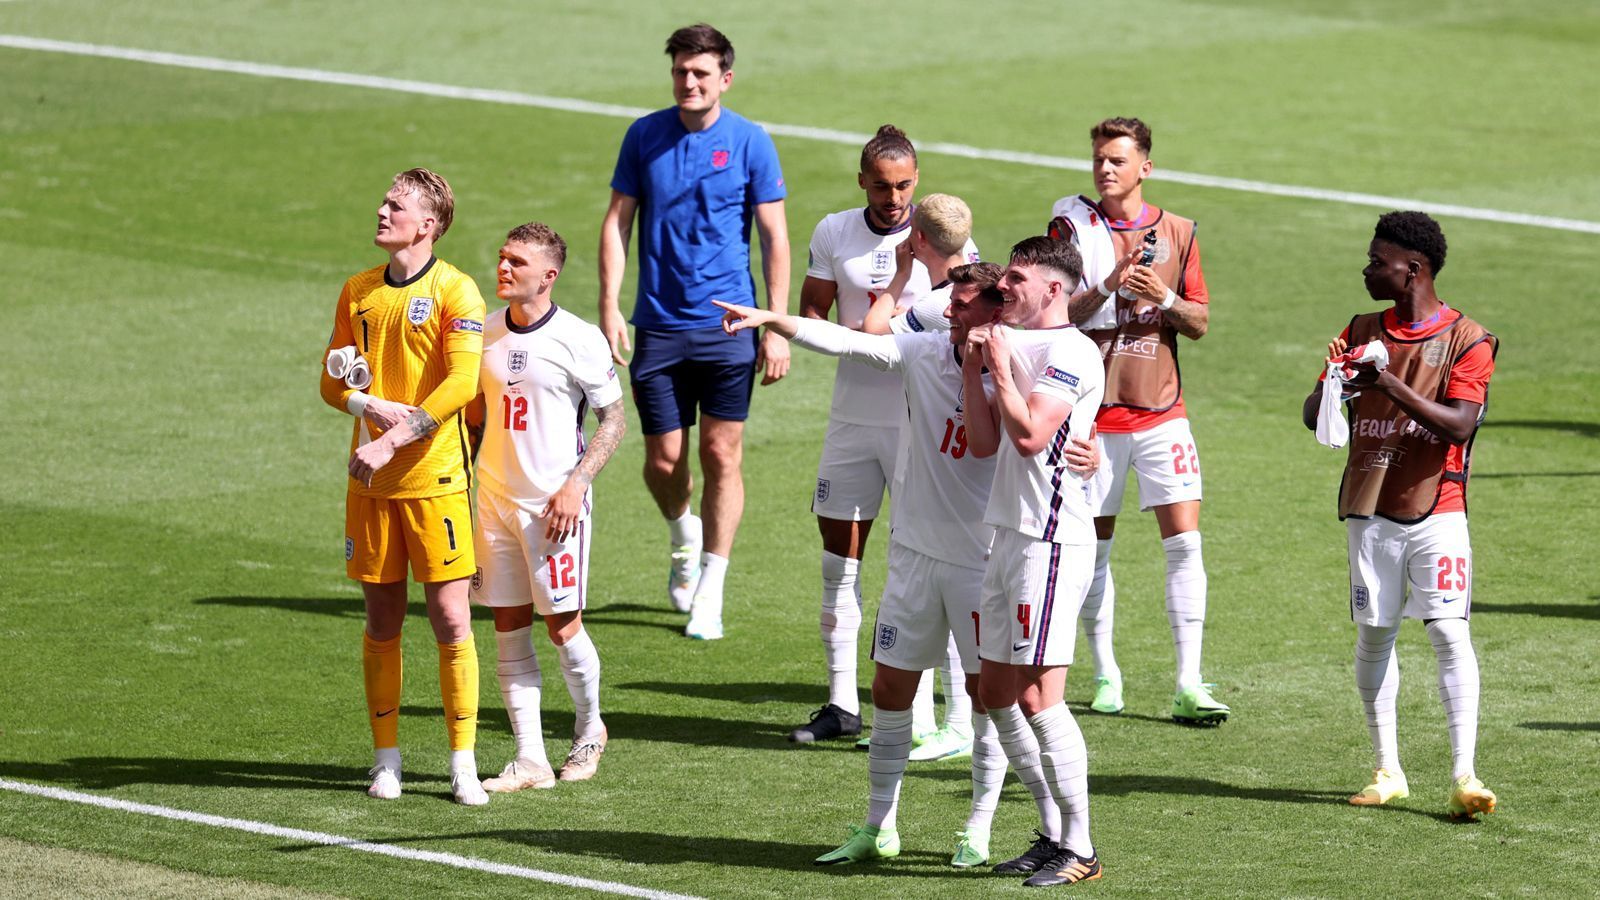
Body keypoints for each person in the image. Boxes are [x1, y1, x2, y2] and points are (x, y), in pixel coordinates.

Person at [717, 262, 1099, 869]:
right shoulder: (921, 351)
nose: (947, 311)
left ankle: (986, 826)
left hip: (985, 559)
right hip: (914, 556)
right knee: (891, 689)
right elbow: (854, 342)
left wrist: (1090, 445)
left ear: (994, 312)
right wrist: (775, 321)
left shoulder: (1022, 360)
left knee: (990, 698)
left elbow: (1051, 422)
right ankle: (877, 825)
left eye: (962, 304)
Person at [1300, 211, 1498, 820]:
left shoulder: (1469, 339)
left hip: (1440, 507)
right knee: (1375, 634)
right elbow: (1313, 417)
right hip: (1371, 508)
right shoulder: (1360, 329)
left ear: (1412, 269)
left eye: (1376, 261)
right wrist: (1339, 385)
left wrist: (1386, 383)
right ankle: (1387, 769)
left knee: (1446, 632)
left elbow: (1460, 424)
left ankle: (1465, 774)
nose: (1366, 269)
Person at [597, 22, 790, 642]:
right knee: (663, 460)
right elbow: (616, 223)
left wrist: (777, 325)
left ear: (724, 79)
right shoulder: (643, 137)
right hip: (657, 324)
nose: (689, 81)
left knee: (720, 453)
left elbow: (774, 238)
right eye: (681, 71)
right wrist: (608, 305)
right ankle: (685, 533)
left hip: (729, 324)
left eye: (701, 72)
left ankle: (712, 586)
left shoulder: (751, 143)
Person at [790, 164, 977, 753]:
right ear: (862, 182)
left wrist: (873, 325)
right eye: (881, 185)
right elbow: (815, 311)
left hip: (911, 427)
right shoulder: (835, 231)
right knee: (837, 566)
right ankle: (843, 704)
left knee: (923, 567)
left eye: (903, 186)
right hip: (850, 422)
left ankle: (932, 718)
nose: (893, 198)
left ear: (917, 183)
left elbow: (906, 335)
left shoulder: (949, 242)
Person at [318, 168, 487, 805]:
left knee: (449, 617)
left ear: (429, 225)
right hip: (371, 487)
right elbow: (332, 383)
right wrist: (366, 406)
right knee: (381, 618)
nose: (382, 211)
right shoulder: (358, 292)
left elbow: (461, 384)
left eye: (397, 206)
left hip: (435, 481)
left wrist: (394, 435)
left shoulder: (457, 292)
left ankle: (462, 762)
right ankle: (386, 760)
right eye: (385, 201)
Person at [1051, 117, 1227, 724]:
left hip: (1161, 415)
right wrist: (1107, 285)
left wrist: (1167, 297)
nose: (1105, 168)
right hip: (1094, 419)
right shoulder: (1071, 227)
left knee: (1184, 544)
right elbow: (1056, 312)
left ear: (1144, 167)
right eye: (1099, 158)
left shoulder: (1179, 232)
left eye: (1118, 160)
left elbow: (1201, 323)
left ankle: (1189, 681)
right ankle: (1105, 675)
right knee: (1093, 552)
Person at [966, 236, 1105, 886]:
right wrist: (978, 370)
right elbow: (985, 439)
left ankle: (1080, 848)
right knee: (994, 691)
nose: (1006, 289)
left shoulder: (1072, 351)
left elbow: (1029, 438)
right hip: (1009, 536)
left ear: (1055, 288)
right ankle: (1052, 830)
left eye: (1016, 279)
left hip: (1050, 542)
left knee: (1040, 695)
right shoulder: (1018, 344)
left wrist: (995, 360)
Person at [467, 224, 626, 792]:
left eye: (517, 261)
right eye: (502, 257)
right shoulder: (484, 334)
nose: (503, 268)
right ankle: (530, 759)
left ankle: (589, 730)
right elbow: (475, 416)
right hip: (493, 503)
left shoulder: (579, 338)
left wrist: (576, 484)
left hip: (553, 507)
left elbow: (614, 419)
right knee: (508, 626)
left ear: (549, 275)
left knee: (562, 626)